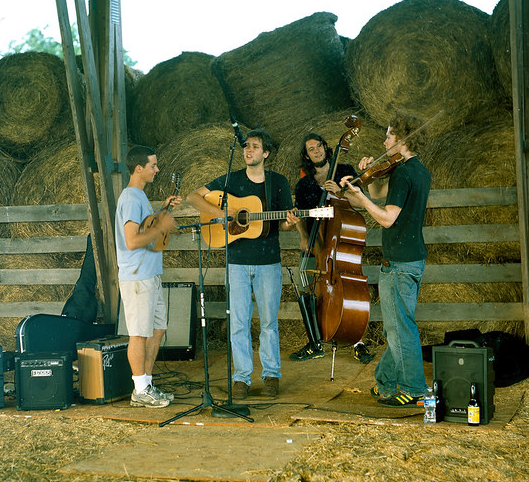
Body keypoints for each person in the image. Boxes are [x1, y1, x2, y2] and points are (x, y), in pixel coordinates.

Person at [325, 115, 431, 410]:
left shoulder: (403, 174)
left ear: (402, 140)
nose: (385, 142)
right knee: (397, 327)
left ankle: (414, 388)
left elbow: (386, 217)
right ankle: (385, 380)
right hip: (412, 259)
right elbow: (380, 196)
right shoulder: (419, 171)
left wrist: (359, 196)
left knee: (401, 329)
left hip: (398, 263)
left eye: (389, 136)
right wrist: (369, 181)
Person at [185, 129, 299, 400]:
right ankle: (241, 378)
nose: (249, 151)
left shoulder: (278, 182)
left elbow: (282, 223)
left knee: (269, 322)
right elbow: (193, 197)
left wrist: (290, 222)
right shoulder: (231, 179)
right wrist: (222, 213)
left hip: (268, 261)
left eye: (255, 147)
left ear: (266, 153)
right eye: (246, 146)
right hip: (236, 262)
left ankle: (271, 375)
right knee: (238, 322)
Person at [289, 133, 372, 364]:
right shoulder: (304, 184)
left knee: (350, 292)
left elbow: (360, 203)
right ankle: (314, 342)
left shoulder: (344, 170)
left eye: (319, 147)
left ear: (326, 148)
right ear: (307, 155)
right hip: (316, 243)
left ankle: (357, 341)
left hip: (339, 246)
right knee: (308, 289)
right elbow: (301, 218)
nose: (316, 151)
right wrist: (304, 237)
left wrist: (340, 191)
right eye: (311, 149)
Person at [115, 145, 183, 408]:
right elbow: (132, 241)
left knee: (157, 329)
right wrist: (162, 227)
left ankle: (147, 385)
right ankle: (140, 390)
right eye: (153, 165)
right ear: (139, 168)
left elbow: (146, 225)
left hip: (150, 274)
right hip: (137, 276)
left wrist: (162, 210)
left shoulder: (140, 197)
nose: (157, 169)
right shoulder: (131, 198)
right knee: (139, 334)